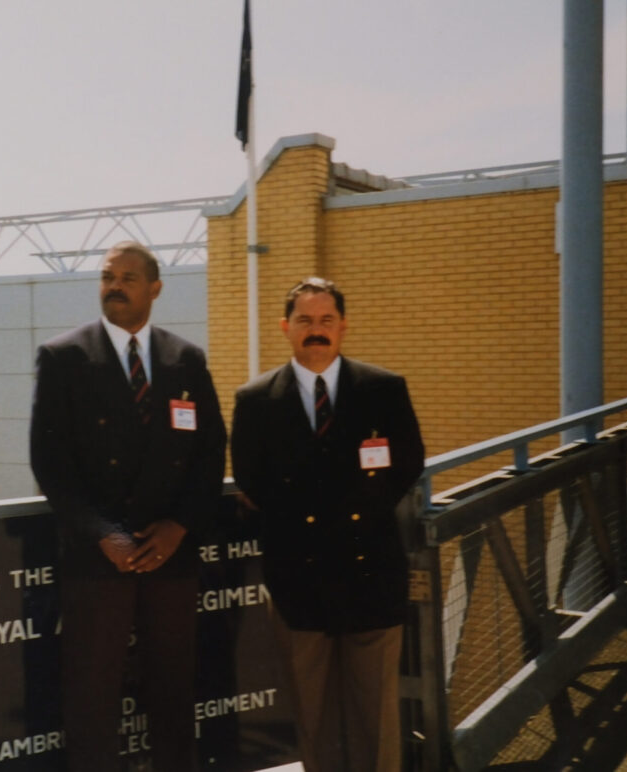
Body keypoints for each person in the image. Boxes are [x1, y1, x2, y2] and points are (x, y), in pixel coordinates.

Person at [30, 241, 226, 772]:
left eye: (128, 278)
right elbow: (50, 463)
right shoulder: (64, 357)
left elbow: (211, 452)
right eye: (107, 277)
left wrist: (179, 527)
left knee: (174, 693)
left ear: (155, 288)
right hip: (98, 560)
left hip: (171, 558)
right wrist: (104, 534)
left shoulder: (186, 360)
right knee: (92, 699)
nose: (114, 286)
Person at [230, 277, 424, 772]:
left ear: (343, 326)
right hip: (298, 577)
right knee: (312, 719)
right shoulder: (255, 399)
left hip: (370, 570)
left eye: (326, 320)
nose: (316, 330)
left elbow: (407, 464)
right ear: (285, 327)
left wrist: (347, 512)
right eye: (304, 320)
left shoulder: (383, 388)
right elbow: (251, 478)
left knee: (375, 720)